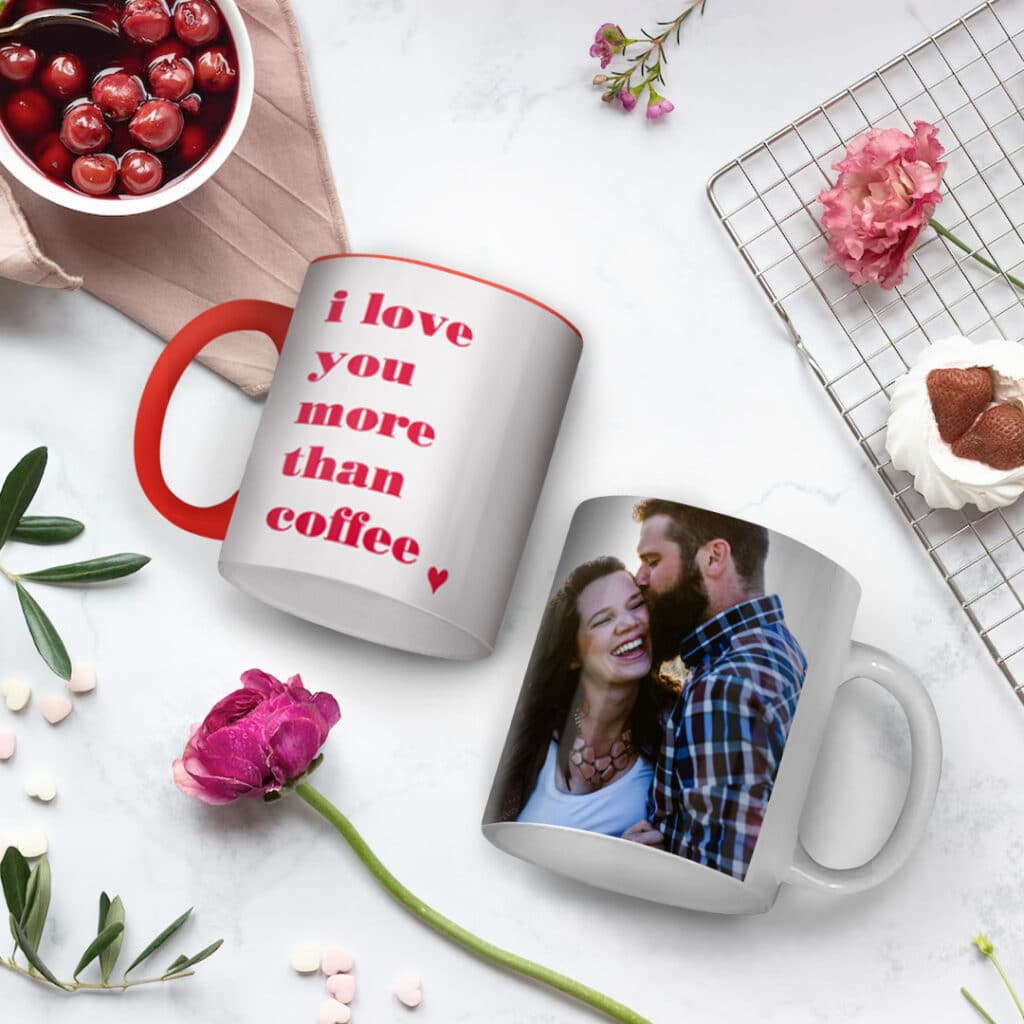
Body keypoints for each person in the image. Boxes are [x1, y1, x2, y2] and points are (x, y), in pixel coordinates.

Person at [633, 499, 808, 880]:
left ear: (713, 558)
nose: (640, 578)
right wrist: (673, 841)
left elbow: (716, 882)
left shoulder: (725, 687)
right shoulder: (777, 646)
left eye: (652, 561)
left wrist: (639, 867)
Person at [487, 557, 673, 844]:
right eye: (604, 620)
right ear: (573, 655)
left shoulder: (674, 732)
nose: (629, 623)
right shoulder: (525, 733)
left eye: (636, 605)